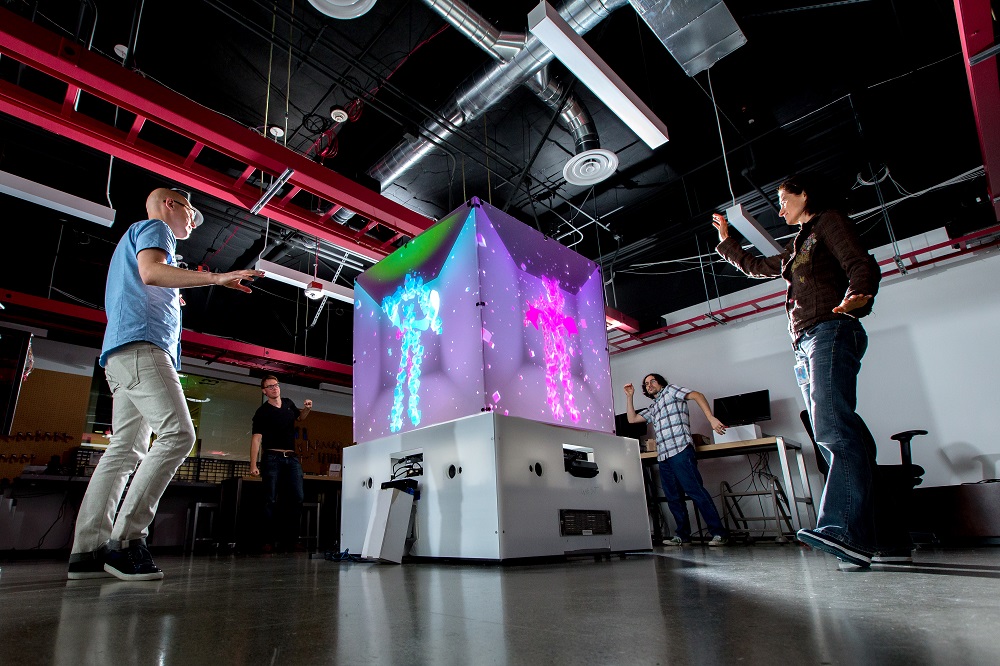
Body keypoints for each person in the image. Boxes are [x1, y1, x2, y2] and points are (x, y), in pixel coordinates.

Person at [67, 188, 264, 581]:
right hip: (141, 348)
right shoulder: (157, 228)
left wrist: (176, 291)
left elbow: (154, 279)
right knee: (178, 434)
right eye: (192, 212)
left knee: (124, 451)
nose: (194, 221)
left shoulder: (144, 240)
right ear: (171, 204)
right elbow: (152, 272)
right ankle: (126, 541)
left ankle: (87, 551)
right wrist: (219, 277)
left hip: (123, 355)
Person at [712, 172, 893, 567]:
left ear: (804, 194)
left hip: (829, 330)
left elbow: (859, 262)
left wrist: (858, 295)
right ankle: (878, 536)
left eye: (783, 199)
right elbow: (757, 265)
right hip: (808, 341)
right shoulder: (798, 246)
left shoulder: (827, 220)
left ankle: (842, 530)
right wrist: (727, 241)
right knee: (848, 433)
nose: (779, 209)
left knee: (830, 427)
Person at [625, 373, 729, 546]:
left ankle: (719, 533)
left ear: (661, 383)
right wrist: (630, 397)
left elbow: (697, 395)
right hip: (664, 456)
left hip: (680, 450)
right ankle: (683, 536)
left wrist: (711, 418)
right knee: (673, 497)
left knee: (696, 491)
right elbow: (632, 419)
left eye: (652, 381)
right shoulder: (654, 407)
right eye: (646, 384)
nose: (649, 385)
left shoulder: (671, 390)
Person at [249, 375, 312, 551]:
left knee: (297, 497)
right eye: (270, 386)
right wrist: (253, 464)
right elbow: (256, 440)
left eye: (276, 385)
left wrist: (307, 408)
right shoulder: (262, 412)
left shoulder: (288, 403)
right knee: (269, 499)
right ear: (264, 391)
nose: (274, 388)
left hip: (291, 458)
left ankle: (291, 539)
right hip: (272, 458)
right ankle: (266, 540)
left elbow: (300, 418)